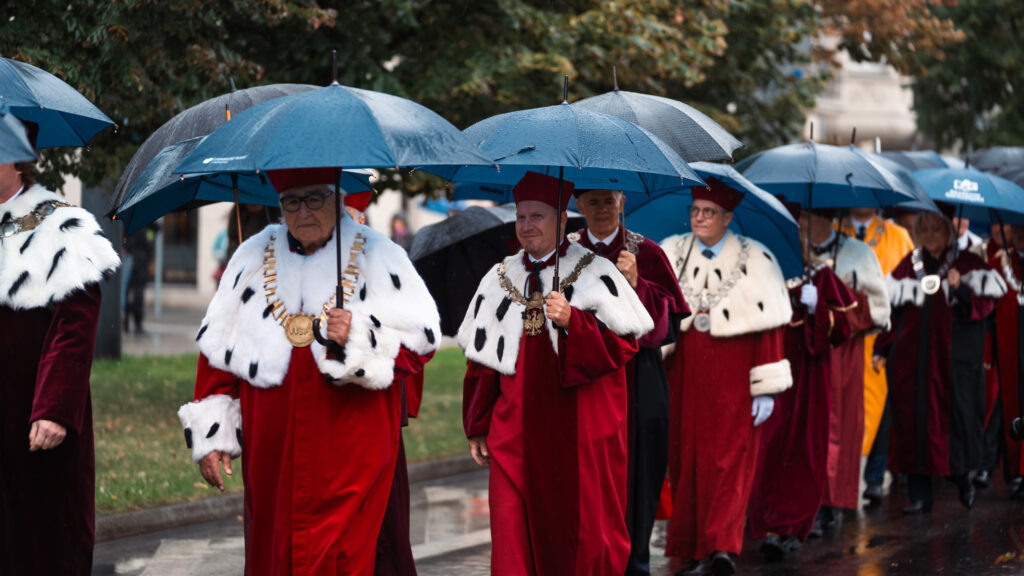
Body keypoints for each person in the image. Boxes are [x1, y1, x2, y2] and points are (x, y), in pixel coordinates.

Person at [178, 167, 440, 575]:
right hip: (272, 450)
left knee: (341, 557)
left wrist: (358, 334)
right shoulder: (251, 256)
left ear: (338, 200)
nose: (304, 211)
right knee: (273, 553)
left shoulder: (379, 254)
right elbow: (217, 352)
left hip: (351, 442)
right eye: (292, 201)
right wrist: (213, 435)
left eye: (316, 198)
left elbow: (420, 344)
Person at [459, 171, 653, 576]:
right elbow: (481, 357)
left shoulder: (596, 271)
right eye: (521, 217)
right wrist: (478, 423)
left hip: (580, 430)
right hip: (514, 431)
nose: (527, 226)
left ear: (563, 220)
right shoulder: (500, 277)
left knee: (581, 535)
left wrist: (574, 323)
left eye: (538, 217)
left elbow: (626, 345)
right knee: (512, 534)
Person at [660, 178, 793, 576]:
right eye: (695, 210)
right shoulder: (670, 252)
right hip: (682, 375)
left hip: (735, 377)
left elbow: (769, 326)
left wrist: (764, 388)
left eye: (709, 212)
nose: (700, 218)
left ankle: (721, 548)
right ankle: (690, 549)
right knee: (684, 462)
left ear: (728, 217)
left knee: (729, 464)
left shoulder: (757, 259)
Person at [0, 159, 120, 574]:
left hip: (33, 418)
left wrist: (54, 408)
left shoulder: (61, 224)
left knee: (40, 544)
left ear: (17, 158)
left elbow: (76, 324)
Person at [571, 187, 689, 576]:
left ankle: (635, 563)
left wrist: (638, 283)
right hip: (584, 381)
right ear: (577, 205)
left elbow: (670, 328)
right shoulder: (565, 252)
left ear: (622, 201)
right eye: (593, 201)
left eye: (609, 200)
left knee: (640, 473)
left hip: (639, 379)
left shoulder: (647, 253)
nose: (602, 209)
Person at [873, 209, 1005, 514]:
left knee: (955, 426)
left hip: (952, 365)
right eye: (925, 229)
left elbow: (985, 307)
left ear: (948, 231)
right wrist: (881, 349)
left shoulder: (969, 263)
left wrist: (960, 289)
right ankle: (920, 495)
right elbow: (892, 311)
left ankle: (963, 480)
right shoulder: (909, 264)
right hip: (911, 364)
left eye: (936, 229)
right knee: (912, 424)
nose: (930, 235)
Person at [748, 202, 858, 561]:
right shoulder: (762, 274)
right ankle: (764, 524)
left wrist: (818, 308)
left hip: (808, 380)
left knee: (803, 452)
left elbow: (845, 328)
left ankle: (793, 525)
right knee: (766, 449)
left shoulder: (821, 278)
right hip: (770, 371)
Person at [803, 209, 889, 528]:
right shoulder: (794, 249)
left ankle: (832, 501)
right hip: (804, 350)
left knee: (837, 424)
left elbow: (875, 311)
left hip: (841, 352)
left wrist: (834, 299)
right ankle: (806, 501)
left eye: (807, 215)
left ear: (826, 217)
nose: (802, 221)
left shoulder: (858, 253)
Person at [837, 207, 915, 503]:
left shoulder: (899, 236)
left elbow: (916, 276)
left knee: (883, 409)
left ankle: (873, 477)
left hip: (887, 334)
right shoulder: (830, 232)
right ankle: (839, 481)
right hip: (846, 334)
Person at [988, 224, 1024, 498]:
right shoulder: (998, 263)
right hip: (1010, 348)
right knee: (1012, 405)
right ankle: (1016, 470)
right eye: (1017, 228)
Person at [123, 223, 157, 334]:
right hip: (137, 264)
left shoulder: (137, 225)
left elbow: (156, 230)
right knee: (135, 294)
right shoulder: (144, 225)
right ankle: (134, 324)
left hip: (136, 263)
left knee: (130, 293)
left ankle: (128, 323)